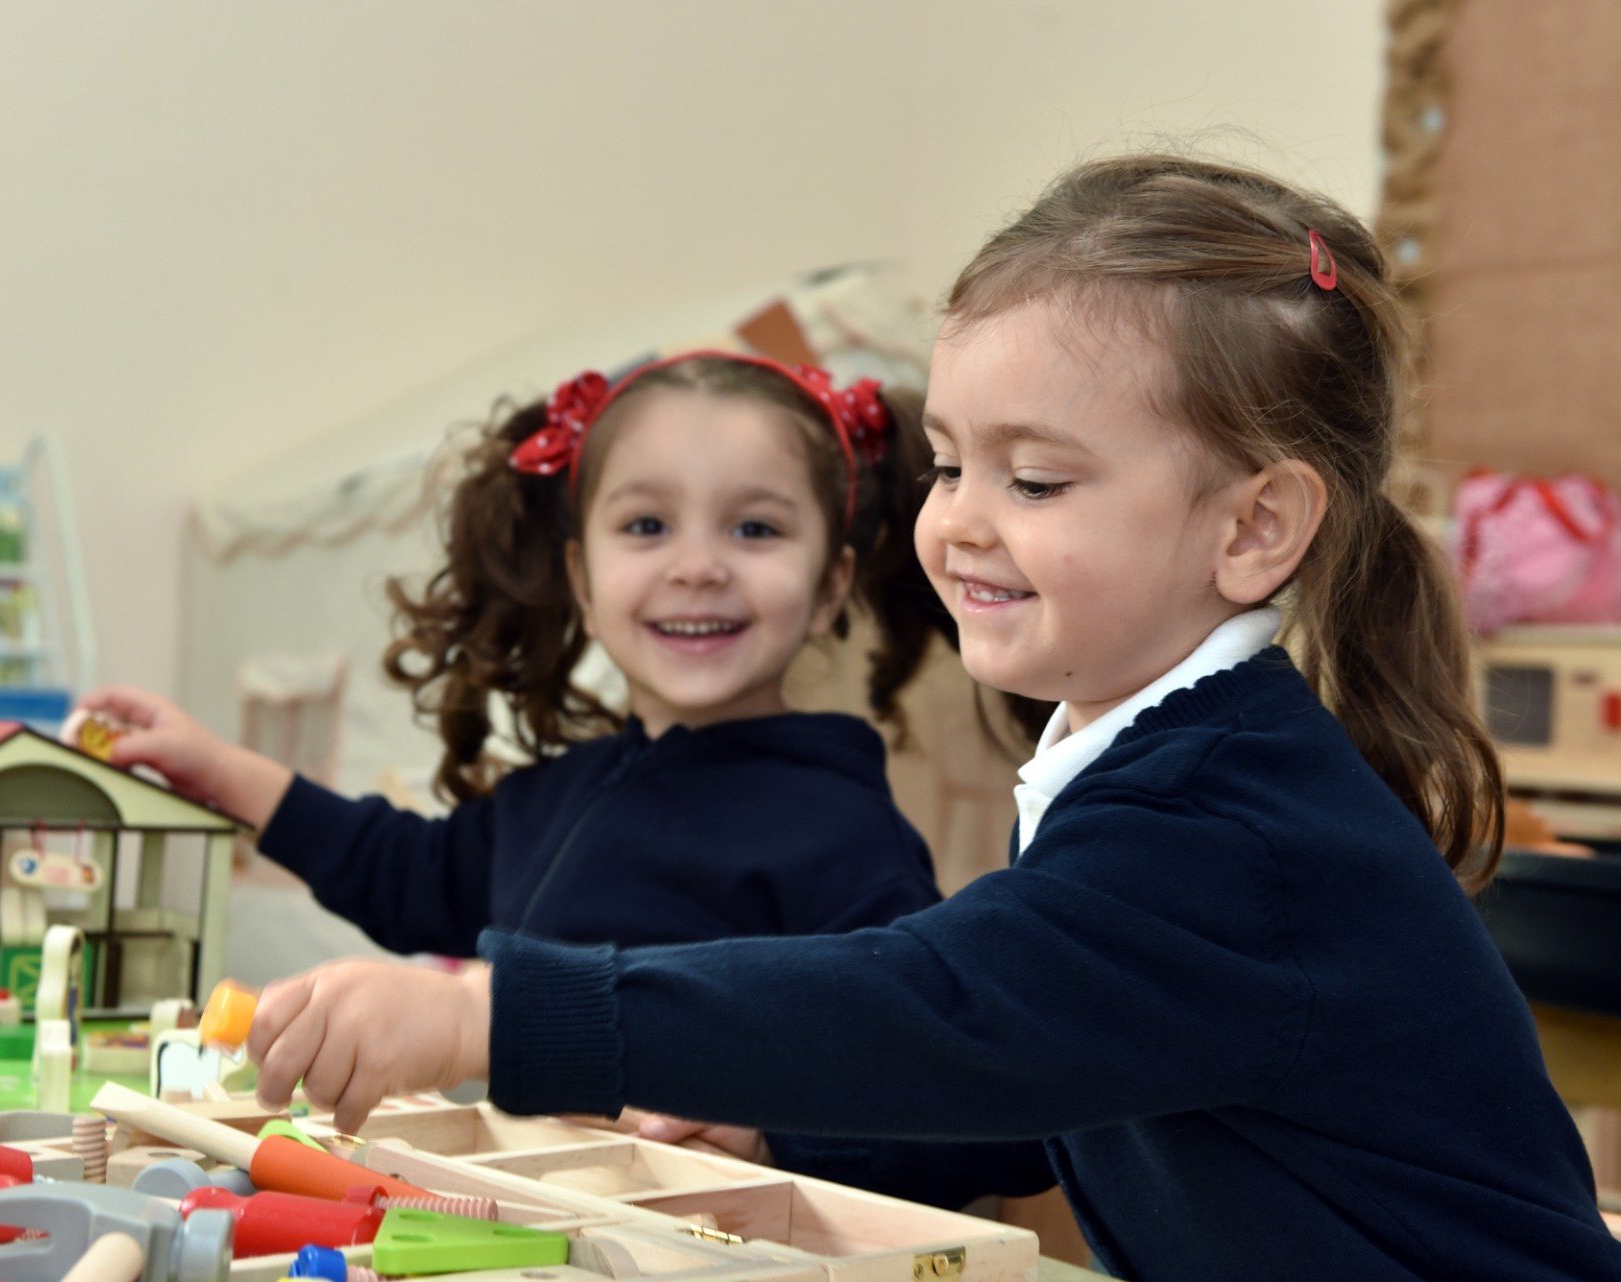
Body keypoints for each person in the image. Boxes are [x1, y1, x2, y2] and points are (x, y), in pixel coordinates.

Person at [237, 156, 1621, 1281]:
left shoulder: (1229, 824)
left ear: (1255, 526)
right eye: (953, 462)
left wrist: (492, 1009)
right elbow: (1038, 1077)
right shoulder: (1156, 769)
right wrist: (780, 1118)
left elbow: (944, 1004)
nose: (956, 521)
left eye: (1038, 481)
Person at [78, 350, 957, 955]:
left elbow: (934, 1096)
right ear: (581, 577)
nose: (697, 567)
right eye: (646, 525)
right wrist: (215, 769)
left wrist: (763, 1131)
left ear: (831, 588)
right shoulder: (556, 799)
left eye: (754, 527)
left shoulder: (844, 837)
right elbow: (402, 874)